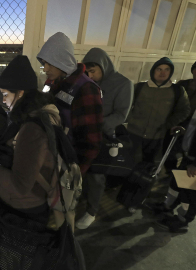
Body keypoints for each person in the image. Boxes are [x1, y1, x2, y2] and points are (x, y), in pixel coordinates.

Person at [0, 55, 73, 226]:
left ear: (21, 93)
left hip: (24, 207)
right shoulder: (38, 115)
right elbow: (22, 151)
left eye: (5, 94)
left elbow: (21, 185)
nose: (3, 100)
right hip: (31, 202)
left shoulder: (32, 129)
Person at [153, 50, 196, 233]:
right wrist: (184, 131)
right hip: (192, 152)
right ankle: (167, 207)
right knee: (177, 182)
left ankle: (182, 221)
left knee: (193, 192)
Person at [75, 47, 134, 229]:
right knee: (80, 170)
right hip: (81, 134)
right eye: (87, 72)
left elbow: (121, 115)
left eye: (93, 71)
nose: (90, 76)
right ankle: (80, 199)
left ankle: (92, 211)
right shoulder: (85, 82)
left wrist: (96, 125)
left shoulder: (123, 83)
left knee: (96, 175)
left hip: (102, 136)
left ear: (104, 66)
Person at [36, 32, 103, 176]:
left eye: (49, 63)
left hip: (68, 163)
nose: (45, 69)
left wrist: (75, 174)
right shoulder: (52, 81)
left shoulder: (86, 89)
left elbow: (91, 141)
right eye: (44, 63)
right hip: (52, 155)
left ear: (62, 61)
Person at [126, 57, 190, 165]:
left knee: (150, 165)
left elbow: (184, 110)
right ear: (153, 71)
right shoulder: (139, 87)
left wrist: (169, 124)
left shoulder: (177, 90)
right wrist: (131, 119)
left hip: (158, 136)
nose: (163, 72)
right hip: (134, 133)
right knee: (128, 161)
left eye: (167, 69)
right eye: (159, 69)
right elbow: (126, 105)